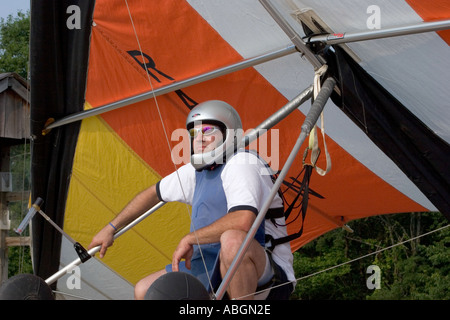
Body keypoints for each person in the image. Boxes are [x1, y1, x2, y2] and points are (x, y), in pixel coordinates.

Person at [88, 100, 295, 300]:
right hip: (209, 266)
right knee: (145, 290)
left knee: (232, 240)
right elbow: (151, 194)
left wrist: (190, 238)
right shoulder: (196, 172)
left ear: (228, 134)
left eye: (207, 131)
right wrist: (111, 227)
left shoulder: (242, 162)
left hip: (267, 274)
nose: (199, 139)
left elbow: (242, 220)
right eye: (194, 133)